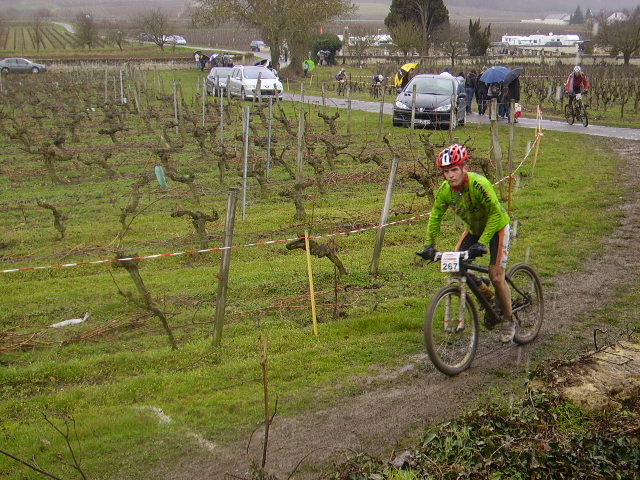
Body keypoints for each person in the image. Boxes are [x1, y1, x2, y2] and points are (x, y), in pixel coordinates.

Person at [417, 144, 515, 343]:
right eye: (446, 172)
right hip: (474, 229)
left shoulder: (479, 184)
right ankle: (486, 294)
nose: (451, 176)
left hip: (497, 227)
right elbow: (435, 216)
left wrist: (483, 242)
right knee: (455, 266)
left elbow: (496, 214)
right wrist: (429, 245)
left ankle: (509, 320)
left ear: (464, 168)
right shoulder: (446, 191)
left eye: (454, 170)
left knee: (496, 276)